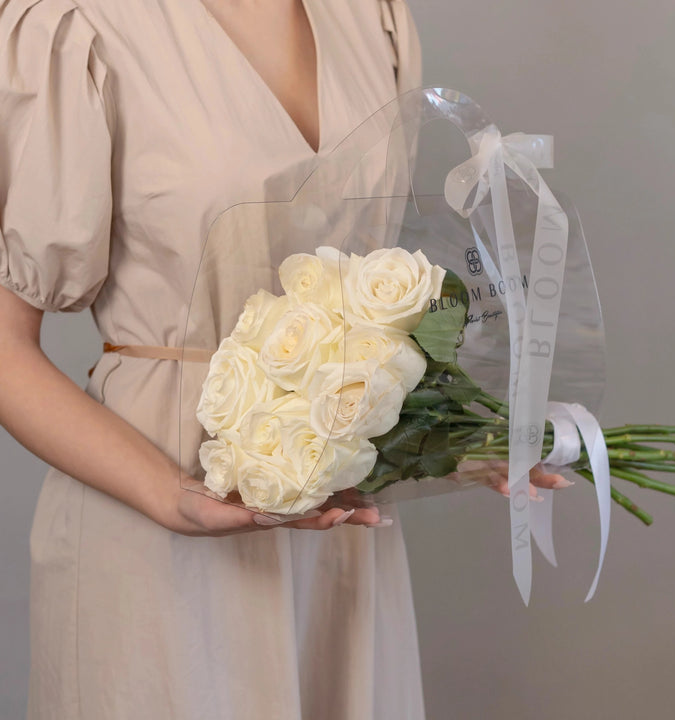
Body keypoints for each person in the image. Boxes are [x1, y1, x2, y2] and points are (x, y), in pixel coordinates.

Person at [0, 0, 567, 717]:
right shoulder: (77, 23)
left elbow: (359, 287)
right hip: (152, 517)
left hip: (337, 520)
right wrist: (174, 496)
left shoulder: (373, 15)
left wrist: (446, 437)